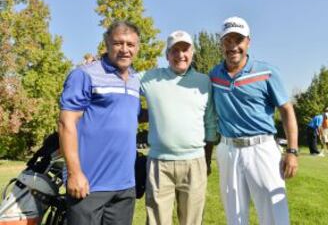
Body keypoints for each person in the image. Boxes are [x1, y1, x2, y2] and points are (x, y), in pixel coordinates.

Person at [209, 16, 298, 225]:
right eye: (227, 40)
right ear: (221, 43)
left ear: (248, 41)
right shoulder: (214, 75)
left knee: (274, 215)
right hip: (227, 150)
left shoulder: (266, 72)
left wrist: (292, 152)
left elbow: (286, 109)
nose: (233, 46)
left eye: (238, 40)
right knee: (235, 216)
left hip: (262, 148)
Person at [58, 21, 141, 225]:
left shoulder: (135, 80)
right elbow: (65, 123)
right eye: (118, 43)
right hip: (88, 185)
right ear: (106, 44)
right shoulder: (84, 75)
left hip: (124, 187)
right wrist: (75, 174)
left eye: (130, 44)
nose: (125, 50)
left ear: (137, 47)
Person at [138, 30, 218, 225]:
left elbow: (209, 124)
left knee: (191, 221)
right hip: (159, 163)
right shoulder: (149, 78)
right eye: (175, 50)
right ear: (167, 55)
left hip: (194, 162)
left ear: (192, 53)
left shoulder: (204, 82)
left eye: (185, 50)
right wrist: (98, 63)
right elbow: (122, 78)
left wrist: (207, 159)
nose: (180, 55)